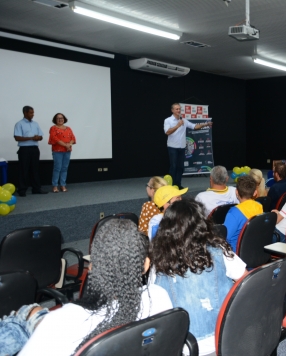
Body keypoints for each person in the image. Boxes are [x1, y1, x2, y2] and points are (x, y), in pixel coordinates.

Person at [16, 219, 172, 356]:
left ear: (91, 267)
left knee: (24, 315)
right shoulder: (159, 296)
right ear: (145, 265)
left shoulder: (62, 321)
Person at [150, 199, 246, 356]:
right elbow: (248, 282)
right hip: (226, 335)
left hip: (187, 345)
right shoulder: (219, 249)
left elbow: (157, 311)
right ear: (202, 224)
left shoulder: (159, 263)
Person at [164, 103, 212, 190]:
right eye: (176, 109)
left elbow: (195, 126)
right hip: (172, 147)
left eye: (179, 109)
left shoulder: (184, 120)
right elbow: (167, 132)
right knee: (173, 166)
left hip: (182, 147)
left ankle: (178, 184)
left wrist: (205, 124)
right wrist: (178, 125)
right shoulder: (168, 120)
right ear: (172, 110)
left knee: (180, 167)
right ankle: (170, 186)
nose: (178, 110)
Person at [13, 106, 47, 196]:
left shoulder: (36, 124)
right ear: (25, 113)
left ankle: (36, 189)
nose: (33, 114)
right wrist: (32, 138)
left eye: (33, 112)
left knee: (35, 169)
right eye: (31, 113)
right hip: (24, 150)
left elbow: (41, 136)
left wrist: (38, 138)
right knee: (24, 169)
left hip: (35, 149)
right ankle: (22, 190)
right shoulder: (19, 124)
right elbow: (17, 137)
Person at [223, 175, 263, 251]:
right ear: (255, 193)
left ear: (236, 192)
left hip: (236, 254)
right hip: (254, 250)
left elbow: (224, 237)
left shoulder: (234, 212)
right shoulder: (259, 206)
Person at [48, 113, 76, 193]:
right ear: (55, 120)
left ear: (64, 119)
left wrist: (69, 145)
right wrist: (66, 145)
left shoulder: (68, 128)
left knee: (64, 168)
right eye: (58, 118)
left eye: (62, 118)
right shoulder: (53, 128)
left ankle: (63, 185)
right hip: (57, 151)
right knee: (57, 168)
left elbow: (73, 138)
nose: (60, 119)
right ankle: (55, 186)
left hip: (67, 151)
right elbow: (55, 139)